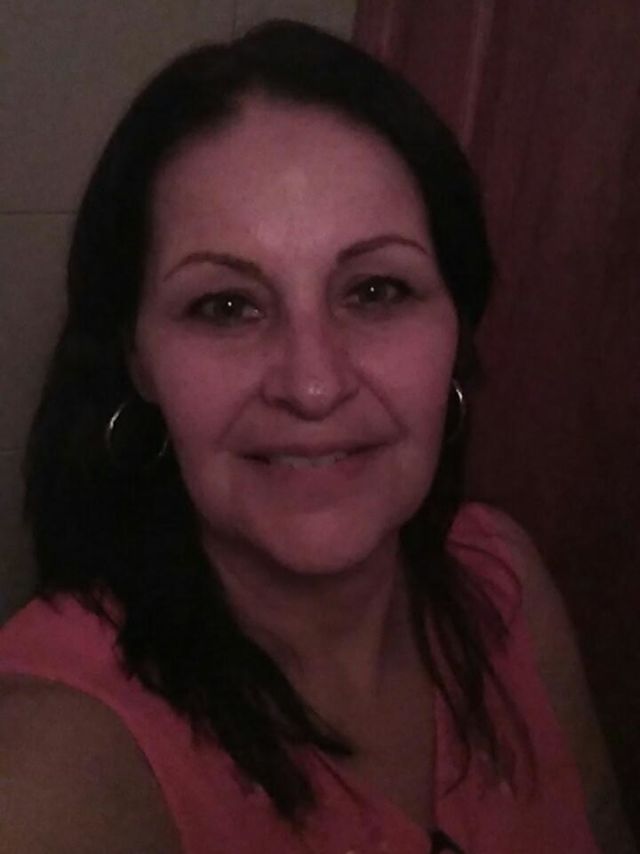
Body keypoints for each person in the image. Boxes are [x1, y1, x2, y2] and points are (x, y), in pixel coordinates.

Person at [0, 19, 634, 854]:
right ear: (138, 359)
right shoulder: (54, 758)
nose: (313, 385)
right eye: (226, 306)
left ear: (457, 326)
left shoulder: (502, 580)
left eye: (376, 291)